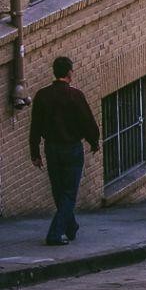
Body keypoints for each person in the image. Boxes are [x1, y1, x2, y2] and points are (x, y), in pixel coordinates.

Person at [29, 56, 100, 245]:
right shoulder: (75, 95)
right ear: (69, 73)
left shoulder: (42, 95)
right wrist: (94, 141)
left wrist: (34, 153)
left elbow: (35, 126)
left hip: (51, 148)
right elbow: (87, 121)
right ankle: (55, 233)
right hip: (72, 148)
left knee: (58, 190)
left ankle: (70, 226)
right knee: (69, 191)